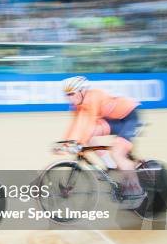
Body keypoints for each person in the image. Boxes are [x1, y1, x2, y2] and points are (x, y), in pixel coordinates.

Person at [58, 76, 144, 204]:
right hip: (115, 120)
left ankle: (137, 190)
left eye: (71, 94)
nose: (69, 98)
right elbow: (75, 124)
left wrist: (78, 143)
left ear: (82, 91)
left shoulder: (93, 97)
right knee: (90, 136)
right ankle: (110, 164)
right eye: (67, 95)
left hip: (130, 117)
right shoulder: (78, 104)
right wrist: (65, 143)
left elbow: (89, 122)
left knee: (117, 153)